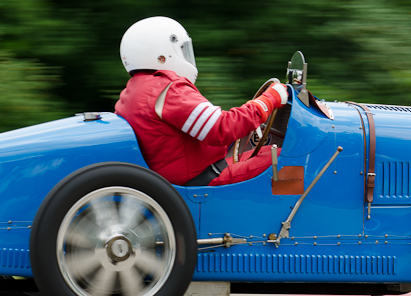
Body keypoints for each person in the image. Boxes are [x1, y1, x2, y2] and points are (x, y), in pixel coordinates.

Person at [114, 16, 289, 186]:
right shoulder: (167, 89)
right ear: (162, 53)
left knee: (268, 151)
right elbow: (222, 128)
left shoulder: (133, 91)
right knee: (291, 157)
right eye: (182, 49)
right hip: (202, 179)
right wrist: (270, 99)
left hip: (183, 176)